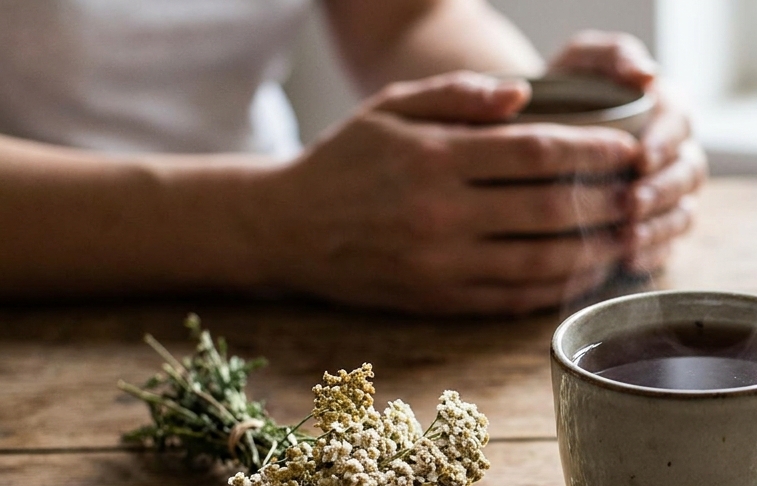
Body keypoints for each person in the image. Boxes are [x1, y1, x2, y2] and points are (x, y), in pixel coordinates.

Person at [0, 0, 706, 315]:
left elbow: (409, 17)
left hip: (299, 277)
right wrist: (266, 223)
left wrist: (542, 126)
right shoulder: (288, 228)